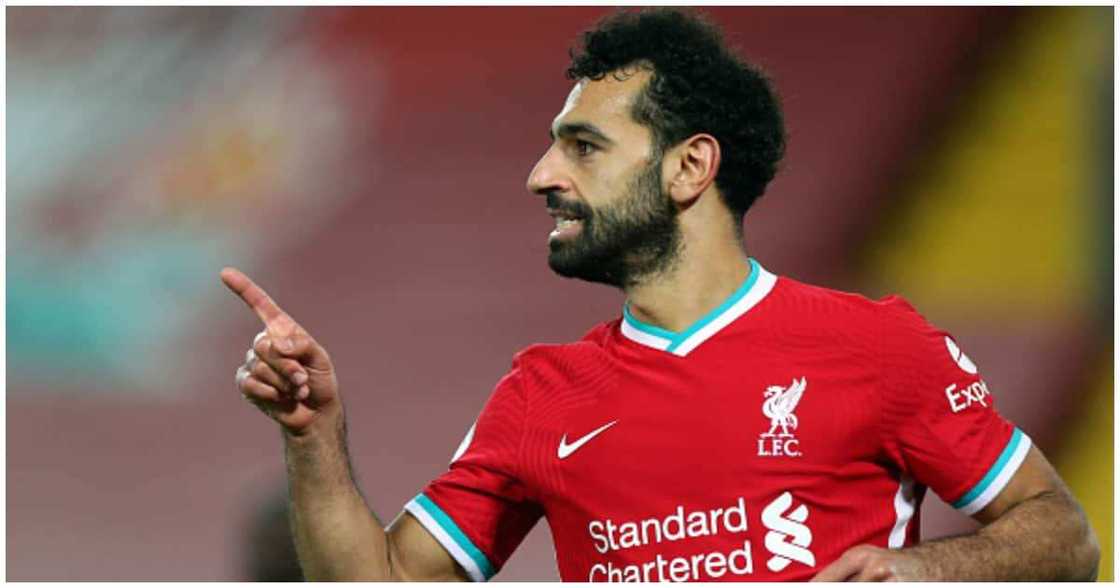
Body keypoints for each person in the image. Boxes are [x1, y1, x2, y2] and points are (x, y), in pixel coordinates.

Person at [221, 8, 1100, 582]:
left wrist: (924, 572)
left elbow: (1064, 536)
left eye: (584, 147)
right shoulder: (537, 395)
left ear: (690, 168)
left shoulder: (875, 346)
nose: (540, 176)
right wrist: (314, 437)